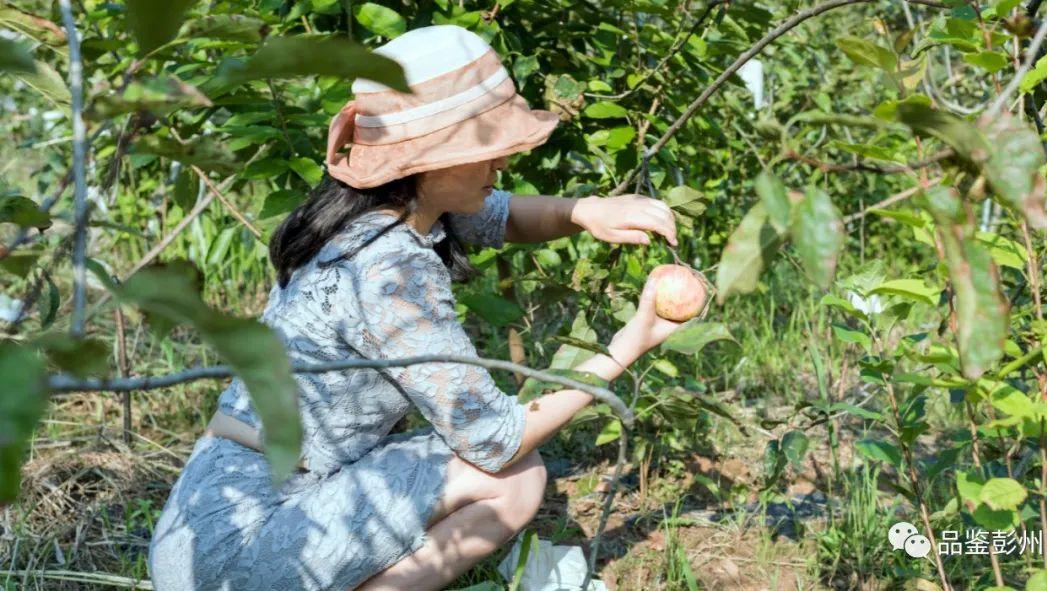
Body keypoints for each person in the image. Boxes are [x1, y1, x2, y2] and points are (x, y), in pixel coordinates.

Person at [148, 24, 682, 591]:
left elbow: (508, 214)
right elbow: (494, 437)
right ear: (428, 160)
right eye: (483, 150)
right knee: (515, 477)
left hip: (201, 523)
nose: (500, 162)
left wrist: (586, 210)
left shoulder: (369, 211)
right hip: (247, 549)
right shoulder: (391, 270)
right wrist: (634, 338)